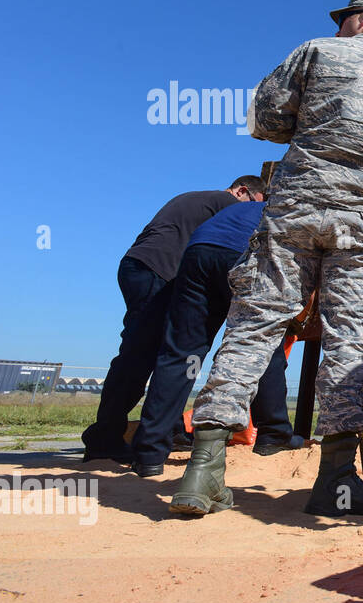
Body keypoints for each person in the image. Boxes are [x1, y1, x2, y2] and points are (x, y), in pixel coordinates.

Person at [171, 0, 363, 520]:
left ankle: (202, 472)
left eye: (345, 17)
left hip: (295, 210)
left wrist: (312, 125)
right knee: (351, 340)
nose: (341, 24)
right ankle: (336, 483)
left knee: (253, 326)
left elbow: (263, 121)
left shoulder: (315, 51)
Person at [81, 177, 266, 463]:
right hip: (159, 272)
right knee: (141, 355)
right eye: (255, 202)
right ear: (242, 191)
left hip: (142, 267)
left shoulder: (196, 198)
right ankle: (105, 438)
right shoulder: (228, 203)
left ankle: (138, 436)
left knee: (148, 353)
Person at [127, 199, 307, 477]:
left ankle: (149, 452)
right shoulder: (296, 209)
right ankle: (273, 433)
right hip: (247, 252)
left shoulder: (243, 208)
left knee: (182, 353)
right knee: (262, 340)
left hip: (198, 254)